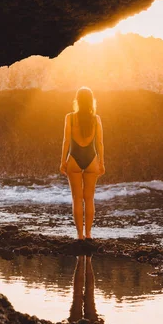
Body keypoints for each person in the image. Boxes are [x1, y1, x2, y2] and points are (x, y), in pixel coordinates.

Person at [60, 87, 105, 240]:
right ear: (91, 100)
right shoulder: (96, 118)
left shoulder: (70, 118)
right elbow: (99, 143)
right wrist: (101, 162)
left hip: (74, 159)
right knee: (89, 199)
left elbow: (66, 141)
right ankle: (89, 234)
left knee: (77, 199)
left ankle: (79, 235)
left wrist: (62, 161)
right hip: (92, 159)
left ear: (77, 100)